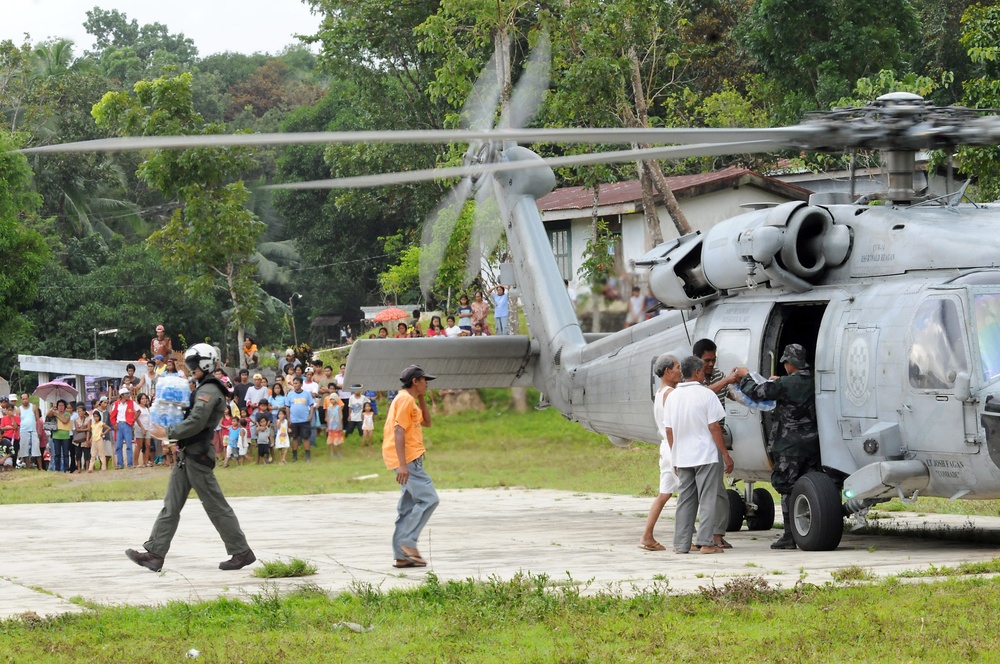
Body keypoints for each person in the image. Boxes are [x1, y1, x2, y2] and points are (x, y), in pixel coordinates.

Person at [126, 343, 255, 573]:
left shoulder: (210, 390)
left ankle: (241, 551)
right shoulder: (203, 387)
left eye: (194, 365)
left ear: (205, 364)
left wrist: (168, 433)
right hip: (187, 455)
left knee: (216, 506)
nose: (191, 368)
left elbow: (196, 422)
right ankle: (155, 554)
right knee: (171, 506)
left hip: (198, 456)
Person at [734, 343, 821, 550]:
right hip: (812, 445)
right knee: (811, 486)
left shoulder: (784, 384)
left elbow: (756, 392)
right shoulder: (814, 381)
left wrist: (746, 376)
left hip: (789, 446)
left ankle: (790, 535)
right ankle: (811, 528)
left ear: (790, 363)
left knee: (787, 488)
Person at [665, 356, 733, 555]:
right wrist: (726, 454)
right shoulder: (706, 395)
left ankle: (681, 544)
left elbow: (669, 431)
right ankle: (706, 543)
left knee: (685, 500)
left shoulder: (673, 397)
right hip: (706, 455)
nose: (705, 374)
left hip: (683, 456)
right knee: (708, 499)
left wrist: (675, 455)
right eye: (702, 371)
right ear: (696, 373)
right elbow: (714, 427)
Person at [383, 365, 437, 568]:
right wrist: (403, 465)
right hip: (409, 460)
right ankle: (408, 542)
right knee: (429, 499)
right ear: (415, 381)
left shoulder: (409, 399)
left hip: (407, 459)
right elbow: (398, 431)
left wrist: (421, 397)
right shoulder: (405, 400)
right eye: (425, 380)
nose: (427, 384)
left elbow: (428, 422)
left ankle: (401, 556)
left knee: (407, 508)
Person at [693, 338, 735, 550]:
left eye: (713, 360)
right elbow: (704, 393)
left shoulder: (719, 376)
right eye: (707, 360)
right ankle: (695, 537)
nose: (711, 364)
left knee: (718, 490)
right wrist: (728, 380)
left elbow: (732, 395)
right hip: (698, 438)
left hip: (714, 438)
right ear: (697, 361)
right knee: (692, 490)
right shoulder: (690, 378)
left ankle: (717, 534)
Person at [639, 354, 681, 552]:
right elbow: (674, 427)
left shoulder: (660, 392)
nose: (681, 371)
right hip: (674, 448)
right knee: (687, 494)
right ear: (667, 371)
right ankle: (685, 537)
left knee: (664, 495)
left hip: (666, 447)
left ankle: (647, 535)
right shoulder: (671, 394)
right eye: (678, 367)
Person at [287, 376, 315, 462]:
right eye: (294, 383)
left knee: (306, 438)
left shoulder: (306, 394)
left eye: (297, 383)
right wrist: (288, 419)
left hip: (305, 420)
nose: (295, 385)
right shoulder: (290, 394)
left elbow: (311, 405)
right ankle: (294, 456)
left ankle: (307, 456)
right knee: (294, 438)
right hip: (294, 420)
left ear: (301, 384)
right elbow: (287, 407)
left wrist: (310, 416)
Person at [110, 387, 136, 469]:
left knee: (129, 444)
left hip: (127, 424)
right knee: (118, 445)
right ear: (122, 395)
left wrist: (132, 420)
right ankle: (120, 463)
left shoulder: (131, 403)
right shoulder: (116, 404)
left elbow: (138, 410)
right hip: (119, 424)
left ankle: (130, 463)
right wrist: (114, 424)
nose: (128, 395)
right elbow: (112, 416)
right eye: (126, 394)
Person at [18, 393, 43, 470]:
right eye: (23, 399)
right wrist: (18, 433)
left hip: (33, 430)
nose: (25, 400)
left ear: (29, 399)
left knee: (36, 450)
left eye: (26, 399)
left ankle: (40, 467)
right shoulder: (19, 409)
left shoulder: (34, 407)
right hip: (23, 431)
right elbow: (18, 422)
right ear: (21, 400)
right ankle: (28, 467)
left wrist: (39, 430)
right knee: (24, 450)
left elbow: (38, 420)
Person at [51, 399, 72, 473]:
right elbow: (47, 415)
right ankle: (57, 469)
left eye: (62, 405)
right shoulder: (53, 413)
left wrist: (57, 415)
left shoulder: (67, 414)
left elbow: (65, 421)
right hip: (56, 436)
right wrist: (52, 409)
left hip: (65, 436)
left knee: (66, 454)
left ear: (65, 406)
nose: (60, 407)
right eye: (59, 405)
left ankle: (66, 469)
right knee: (57, 454)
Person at [326, 391, 344, 457]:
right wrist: (328, 426)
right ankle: (332, 452)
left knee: (338, 439)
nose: (331, 400)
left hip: (337, 425)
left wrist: (340, 424)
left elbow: (341, 416)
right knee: (331, 440)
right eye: (330, 399)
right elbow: (328, 417)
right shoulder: (329, 408)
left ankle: (339, 452)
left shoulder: (338, 407)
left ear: (336, 399)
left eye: (333, 399)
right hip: (331, 425)